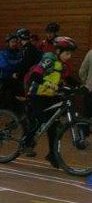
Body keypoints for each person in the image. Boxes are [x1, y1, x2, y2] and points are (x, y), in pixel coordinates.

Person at [21, 36, 77, 167]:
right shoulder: (49, 59)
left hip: (50, 96)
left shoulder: (62, 65)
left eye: (70, 54)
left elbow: (68, 78)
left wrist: (82, 87)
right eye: (67, 53)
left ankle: (52, 154)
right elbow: (36, 75)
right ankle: (26, 143)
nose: (69, 56)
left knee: (53, 126)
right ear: (58, 51)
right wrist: (49, 84)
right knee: (40, 120)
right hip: (37, 95)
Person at [0, 33, 24, 109]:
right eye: (12, 42)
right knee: (0, 98)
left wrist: (13, 63)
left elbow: (22, 64)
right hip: (3, 78)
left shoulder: (19, 52)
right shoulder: (2, 52)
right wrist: (16, 63)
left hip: (14, 78)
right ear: (8, 43)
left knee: (14, 97)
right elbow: (4, 65)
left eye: (15, 42)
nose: (14, 44)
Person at [80, 47, 92, 117]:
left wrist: (86, 82)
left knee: (86, 114)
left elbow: (82, 71)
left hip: (90, 89)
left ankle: (83, 127)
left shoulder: (90, 53)